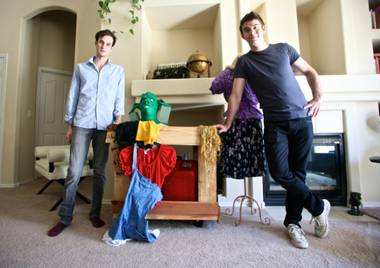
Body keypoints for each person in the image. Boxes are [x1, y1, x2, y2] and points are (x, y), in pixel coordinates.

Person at [216, 12, 330, 249]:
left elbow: (311, 71)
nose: (252, 32)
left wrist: (317, 98)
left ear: (263, 28)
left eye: (255, 27)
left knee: (297, 175)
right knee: (280, 172)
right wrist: (228, 123)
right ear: (243, 35)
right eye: (247, 29)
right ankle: (319, 206)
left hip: (302, 119)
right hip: (275, 124)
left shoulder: (284, 50)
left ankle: (293, 224)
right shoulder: (245, 63)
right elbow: (236, 95)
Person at [47, 29, 125, 237]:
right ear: (96, 43)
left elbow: (119, 98)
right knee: (73, 171)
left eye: (108, 43)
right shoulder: (80, 68)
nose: (104, 46)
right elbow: (72, 96)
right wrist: (69, 124)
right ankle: (65, 217)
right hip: (81, 123)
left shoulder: (118, 71)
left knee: (99, 171)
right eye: (101, 42)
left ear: (111, 47)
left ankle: (94, 213)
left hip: (105, 126)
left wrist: (117, 121)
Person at [210, 57, 264, 193]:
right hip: (252, 120)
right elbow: (258, 97)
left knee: (234, 155)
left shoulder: (227, 73)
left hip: (233, 119)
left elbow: (215, 87)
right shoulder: (254, 74)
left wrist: (226, 73)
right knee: (251, 155)